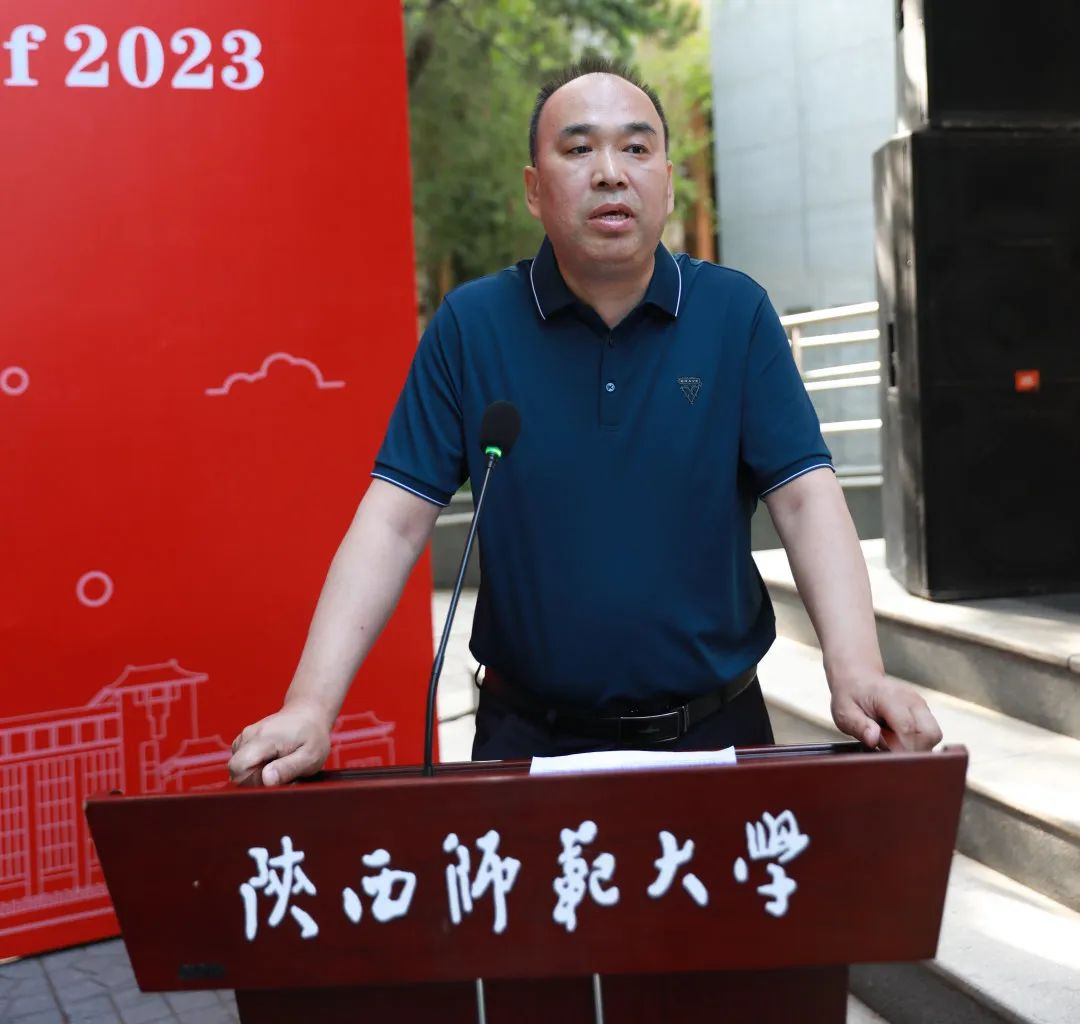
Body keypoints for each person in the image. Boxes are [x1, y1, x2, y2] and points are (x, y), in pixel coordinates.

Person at [228, 57, 942, 785]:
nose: (610, 173)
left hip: (715, 738)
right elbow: (394, 520)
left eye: (635, 148)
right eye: (578, 148)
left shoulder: (735, 314)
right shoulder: (473, 326)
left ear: (668, 180)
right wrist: (310, 705)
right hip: (524, 745)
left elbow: (805, 498)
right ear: (534, 189)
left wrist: (857, 669)